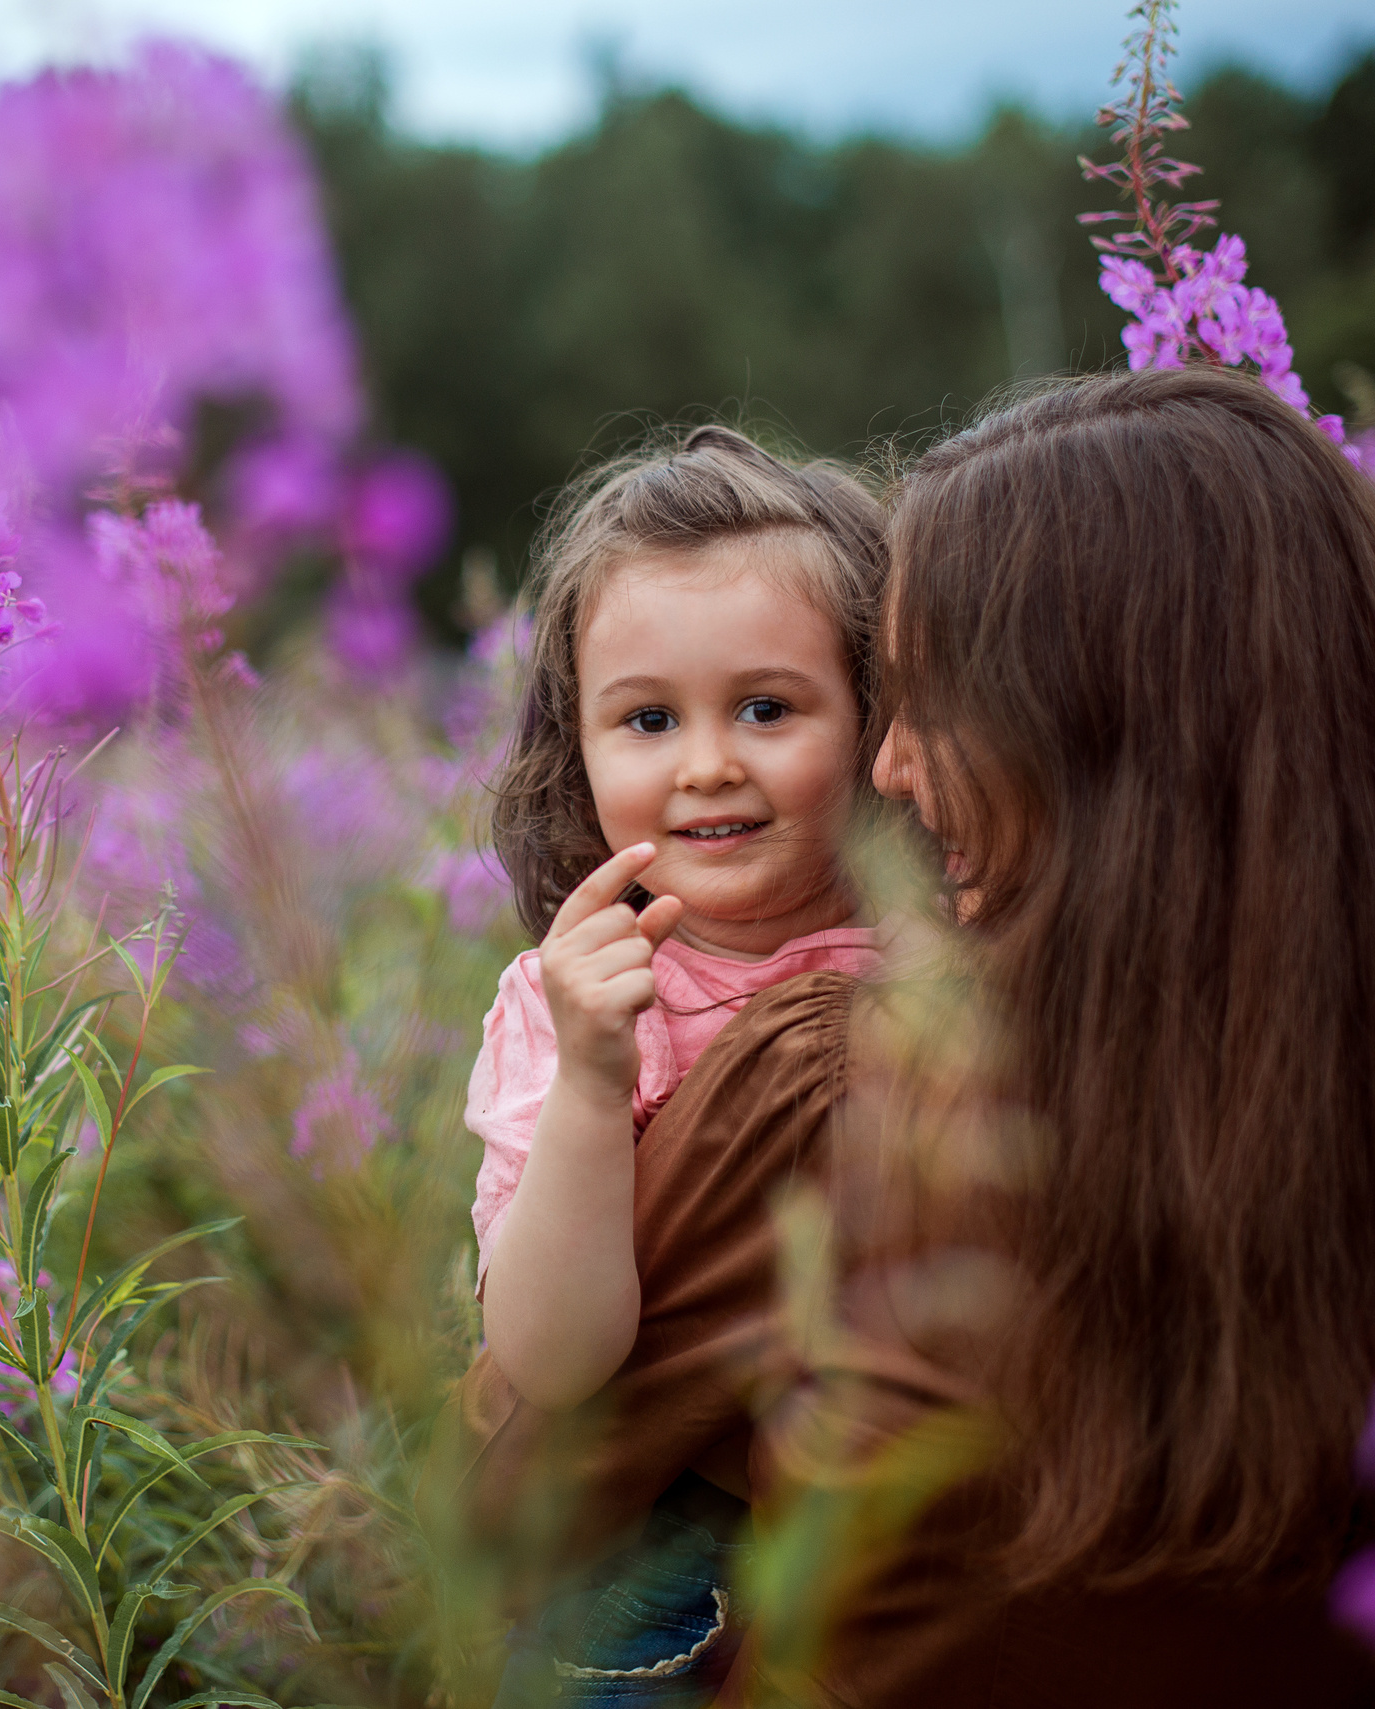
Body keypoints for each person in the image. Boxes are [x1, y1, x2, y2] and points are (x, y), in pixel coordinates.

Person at [636, 365, 1375, 1705]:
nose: (887, 768)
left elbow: (506, 1505)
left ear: (1091, 740)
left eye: (936, 699)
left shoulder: (847, 1086)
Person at [454, 424, 889, 1697]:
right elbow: (550, 1357)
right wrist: (596, 1080)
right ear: (575, 749)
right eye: (647, 718)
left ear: (874, 717)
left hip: (912, 1536)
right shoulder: (570, 1001)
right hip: (664, 1572)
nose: (708, 763)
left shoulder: (936, 952)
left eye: (767, 707)